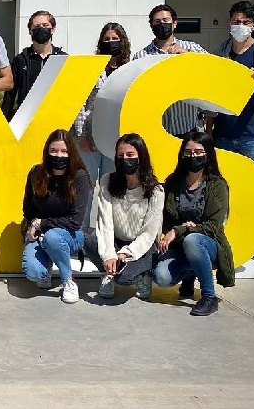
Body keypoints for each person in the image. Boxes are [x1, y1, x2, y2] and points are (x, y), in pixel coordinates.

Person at [209, 0, 254, 262]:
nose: (239, 26)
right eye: (235, 21)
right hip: (224, 133)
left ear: (253, 25)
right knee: (222, 188)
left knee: (251, 189)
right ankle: (227, 235)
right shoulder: (223, 53)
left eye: (245, 22)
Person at [152, 131, 235, 316]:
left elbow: (213, 226)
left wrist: (182, 229)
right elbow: (165, 219)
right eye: (188, 152)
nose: (193, 156)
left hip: (208, 245)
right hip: (180, 246)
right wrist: (176, 230)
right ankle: (190, 273)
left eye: (198, 152)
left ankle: (209, 297)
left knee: (193, 240)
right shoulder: (173, 182)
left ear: (208, 155)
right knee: (161, 277)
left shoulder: (217, 185)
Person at [84, 133, 164, 300]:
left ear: (141, 156)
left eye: (130, 155)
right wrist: (109, 255)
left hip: (144, 246)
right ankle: (108, 272)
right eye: (120, 156)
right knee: (89, 241)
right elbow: (104, 222)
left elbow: (149, 233)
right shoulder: (108, 181)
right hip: (116, 240)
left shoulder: (155, 191)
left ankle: (144, 274)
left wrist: (126, 254)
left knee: (125, 279)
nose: (125, 159)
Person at [21, 129, 92, 304]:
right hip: (40, 234)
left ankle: (68, 281)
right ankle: (48, 263)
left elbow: (75, 221)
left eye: (64, 151)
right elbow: (28, 210)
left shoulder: (79, 177)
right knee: (34, 273)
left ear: (71, 153)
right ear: (47, 151)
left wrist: (42, 224)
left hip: (70, 235)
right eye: (54, 151)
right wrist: (31, 227)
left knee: (53, 237)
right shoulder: (36, 173)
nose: (58, 155)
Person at [132, 4, 208, 136]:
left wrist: (188, 55)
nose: (162, 24)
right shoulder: (141, 56)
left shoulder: (192, 48)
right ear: (151, 26)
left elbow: (211, 69)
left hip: (188, 127)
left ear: (175, 23)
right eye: (157, 22)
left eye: (165, 20)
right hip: (157, 129)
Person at [73, 23, 131, 193]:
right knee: (85, 187)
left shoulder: (128, 69)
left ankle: (107, 221)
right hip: (89, 137)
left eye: (115, 39)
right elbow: (81, 103)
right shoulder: (92, 68)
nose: (111, 42)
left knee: (112, 189)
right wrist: (81, 135)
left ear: (122, 42)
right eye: (107, 39)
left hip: (116, 138)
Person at [1, 10, 66, 119]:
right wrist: (3, 121)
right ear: (30, 31)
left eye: (45, 25)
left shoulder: (63, 59)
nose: (41, 29)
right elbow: (10, 96)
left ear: (53, 29)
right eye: (36, 26)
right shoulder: (21, 60)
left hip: (55, 118)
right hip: (26, 120)